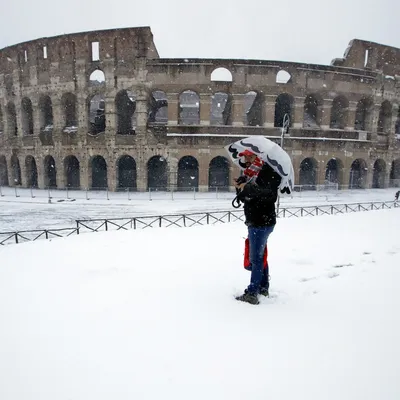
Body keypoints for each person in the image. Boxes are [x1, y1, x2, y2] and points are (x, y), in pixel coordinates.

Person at [234, 149, 281, 305]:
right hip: (256, 220)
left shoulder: (269, 172)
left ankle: (253, 293)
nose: (245, 159)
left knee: (256, 258)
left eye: (248, 156)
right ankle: (263, 287)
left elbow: (270, 196)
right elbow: (246, 197)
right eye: (244, 156)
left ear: (257, 156)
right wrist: (241, 186)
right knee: (260, 256)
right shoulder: (250, 173)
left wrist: (247, 188)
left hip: (262, 222)